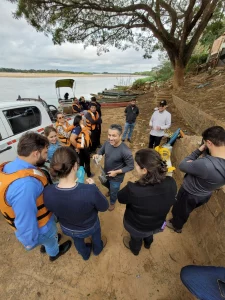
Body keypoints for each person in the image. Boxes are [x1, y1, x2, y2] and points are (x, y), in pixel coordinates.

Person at [0, 132, 71, 261]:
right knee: (51, 240)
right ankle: (54, 253)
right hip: (42, 228)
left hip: (39, 225)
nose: (46, 156)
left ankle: (47, 243)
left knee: (49, 238)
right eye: (45, 152)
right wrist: (30, 241)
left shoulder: (10, 166)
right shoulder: (26, 185)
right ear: (36, 154)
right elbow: (25, 220)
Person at [43, 146, 109, 261]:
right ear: (74, 166)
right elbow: (104, 207)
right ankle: (97, 249)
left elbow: (51, 209)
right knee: (96, 236)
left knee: (78, 241)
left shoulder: (47, 192)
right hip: (90, 226)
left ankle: (85, 254)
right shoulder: (89, 191)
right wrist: (94, 187)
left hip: (67, 228)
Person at [117, 149, 176, 256]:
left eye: (136, 165)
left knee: (136, 238)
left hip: (137, 226)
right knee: (149, 234)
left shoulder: (133, 189)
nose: (135, 167)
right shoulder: (171, 182)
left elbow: (120, 198)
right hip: (157, 224)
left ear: (144, 170)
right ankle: (148, 244)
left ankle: (135, 250)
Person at [166, 126, 225, 233]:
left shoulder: (206, 164)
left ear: (209, 143)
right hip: (205, 194)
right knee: (187, 209)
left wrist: (198, 151)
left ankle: (176, 226)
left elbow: (183, 165)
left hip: (189, 193)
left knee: (180, 210)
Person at [93, 124, 134, 211]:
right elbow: (101, 150)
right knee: (105, 183)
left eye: (114, 136)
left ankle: (112, 202)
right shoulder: (107, 143)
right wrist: (98, 154)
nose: (110, 138)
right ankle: (110, 190)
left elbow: (130, 166)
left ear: (120, 135)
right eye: (109, 135)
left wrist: (116, 172)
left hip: (116, 178)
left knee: (114, 191)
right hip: (106, 172)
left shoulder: (125, 151)